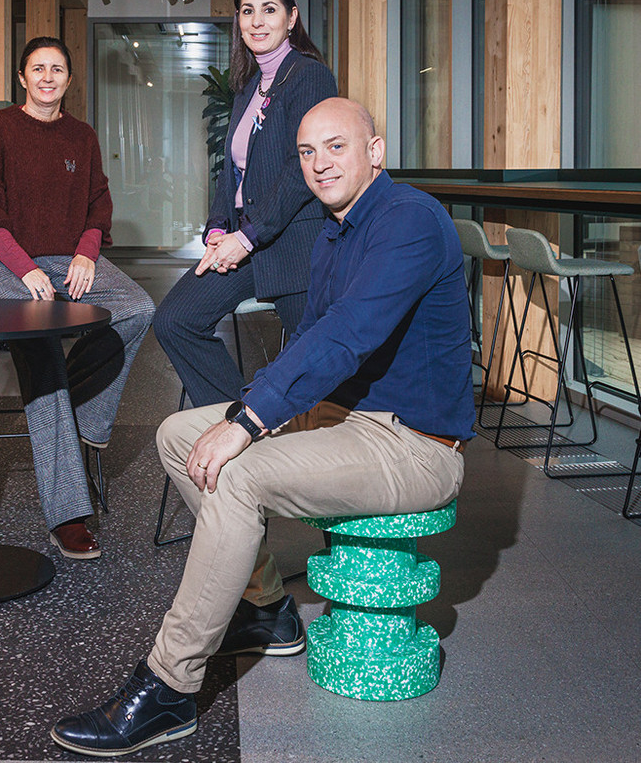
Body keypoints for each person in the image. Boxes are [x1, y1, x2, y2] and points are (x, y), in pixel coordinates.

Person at [51, 98, 474, 756]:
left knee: (237, 476)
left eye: (335, 146)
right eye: (306, 152)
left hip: (412, 442)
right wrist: (248, 411)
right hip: (347, 416)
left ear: (375, 151)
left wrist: (248, 424)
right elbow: (309, 335)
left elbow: (348, 334)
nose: (319, 163)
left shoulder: (409, 220)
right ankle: (267, 607)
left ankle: (169, 685)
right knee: (179, 435)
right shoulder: (336, 230)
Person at [0, 36, 155, 560]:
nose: (47, 77)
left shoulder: (81, 136)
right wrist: (24, 268)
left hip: (65, 259)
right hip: (0, 262)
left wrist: (87, 255)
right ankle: (68, 514)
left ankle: (80, 413)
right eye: (38, 68)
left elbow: (97, 205)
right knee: (42, 349)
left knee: (138, 307)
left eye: (57, 69)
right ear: (22, 77)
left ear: (69, 79)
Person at [153, 0, 338, 408]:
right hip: (247, 239)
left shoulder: (309, 76)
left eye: (269, 10)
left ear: (291, 18)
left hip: (294, 244)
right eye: (247, 11)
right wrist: (219, 228)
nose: (257, 21)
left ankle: (307, 441)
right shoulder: (248, 86)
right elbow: (232, 172)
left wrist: (248, 236)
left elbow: (302, 169)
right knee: (175, 320)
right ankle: (237, 421)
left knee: (315, 371)